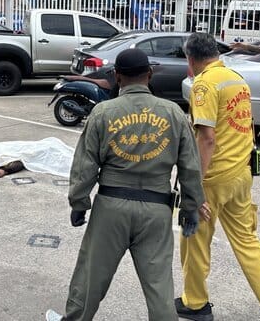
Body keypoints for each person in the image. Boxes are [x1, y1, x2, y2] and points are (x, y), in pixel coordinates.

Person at [45, 48, 205, 321]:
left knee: (91, 277)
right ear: (150, 75)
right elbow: (190, 167)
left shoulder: (103, 112)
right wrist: (191, 207)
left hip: (111, 208)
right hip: (156, 209)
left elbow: (85, 165)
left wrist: (79, 203)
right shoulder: (173, 113)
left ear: (117, 77)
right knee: (159, 286)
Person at [177, 33, 260, 321]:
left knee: (194, 241)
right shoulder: (236, 79)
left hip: (213, 177)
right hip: (241, 173)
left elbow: (206, 138)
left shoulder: (204, 84)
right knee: (248, 242)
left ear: (190, 59)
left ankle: (196, 303)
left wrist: (194, 188)